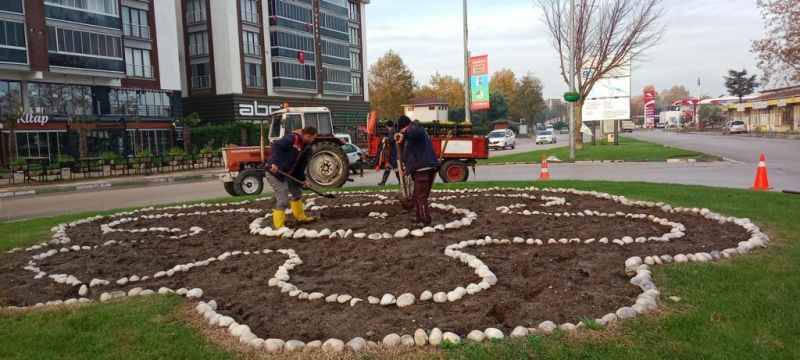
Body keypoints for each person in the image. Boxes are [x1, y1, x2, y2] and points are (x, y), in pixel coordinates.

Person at [265, 126, 318, 229]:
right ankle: (279, 227)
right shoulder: (292, 138)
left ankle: (300, 217)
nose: (312, 140)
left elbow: (300, 168)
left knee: (297, 193)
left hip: (288, 174)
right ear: (307, 135)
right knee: (283, 198)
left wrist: (303, 181)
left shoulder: (306, 148)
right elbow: (276, 145)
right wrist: (274, 163)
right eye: (312, 138)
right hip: (274, 172)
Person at [395, 115, 440, 225]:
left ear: (404, 127)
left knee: (421, 197)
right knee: (417, 196)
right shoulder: (414, 133)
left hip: (423, 168)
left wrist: (404, 134)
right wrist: (407, 168)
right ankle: (419, 217)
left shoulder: (415, 129)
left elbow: (412, 133)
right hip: (423, 167)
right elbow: (410, 152)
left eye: (401, 130)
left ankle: (425, 220)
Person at [376, 121, 400, 186]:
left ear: (387, 126)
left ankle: (384, 182)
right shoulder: (394, 131)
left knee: (394, 168)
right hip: (392, 153)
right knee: (390, 168)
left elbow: (391, 140)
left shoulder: (392, 131)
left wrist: (386, 139)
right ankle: (383, 182)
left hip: (392, 153)